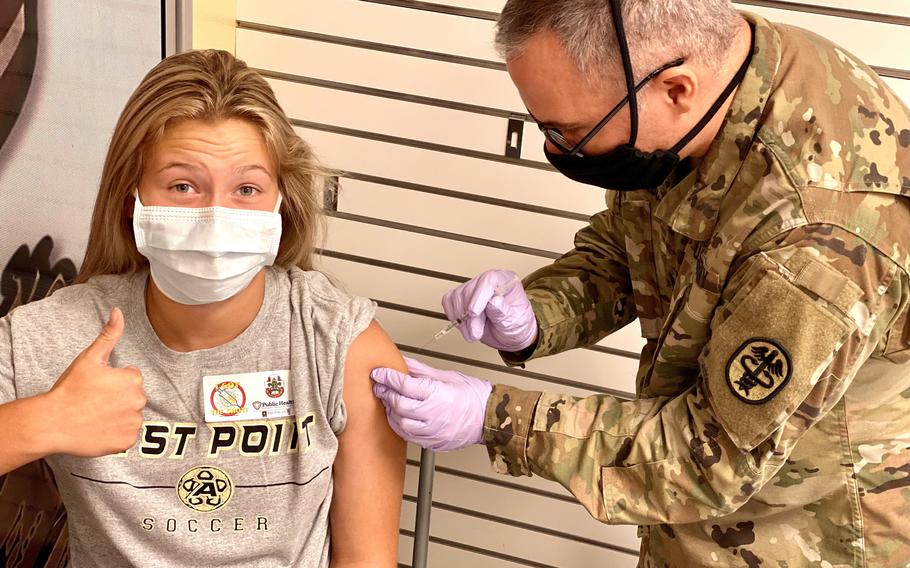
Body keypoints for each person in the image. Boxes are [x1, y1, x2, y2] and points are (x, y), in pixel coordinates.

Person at [371, 0, 910, 565]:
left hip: (806, 537)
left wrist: (492, 417)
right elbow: (640, 242)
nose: (558, 150)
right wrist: (538, 314)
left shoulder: (820, 234)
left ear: (677, 90)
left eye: (570, 131)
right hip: (694, 526)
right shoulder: (724, 72)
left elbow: (708, 455)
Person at [0, 49, 406, 567]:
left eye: (246, 188)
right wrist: (42, 421)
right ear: (133, 198)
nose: (216, 217)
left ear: (281, 199)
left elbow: (367, 561)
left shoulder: (338, 343)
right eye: (183, 185)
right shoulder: (57, 336)